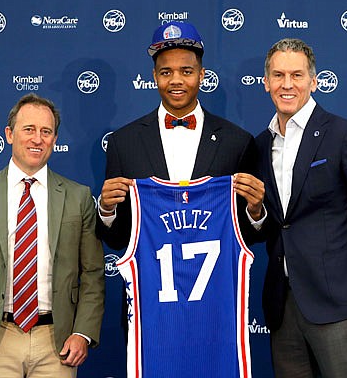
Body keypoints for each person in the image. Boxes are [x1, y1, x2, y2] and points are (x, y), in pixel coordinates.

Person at [96, 21, 265, 338]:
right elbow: (118, 240)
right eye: (165, 72)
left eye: (186, 71)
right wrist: (106, 209)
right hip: (149, 307)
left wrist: (256, 212)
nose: (176, 80)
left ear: (202, 75)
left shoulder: (236, 142)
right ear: (154, 77)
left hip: (216, 307)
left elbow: (249, 236)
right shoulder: (124, 142)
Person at [255, 38, 347, 377]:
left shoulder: (344, 137)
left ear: (313, 81)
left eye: (297, 75)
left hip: (340, 308)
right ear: (266, 83)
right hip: (282, 306)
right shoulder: (260, 145)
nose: (287, 84)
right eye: (278, 75)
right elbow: (271, 225)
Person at [0, 93, 105, 378]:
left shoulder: (78, 197)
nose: (37, 139)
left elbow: (92, 272)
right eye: (28, 129)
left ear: (55, 139)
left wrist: (83, 333)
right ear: (9, 134)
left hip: (57, 343)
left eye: (46, 131)